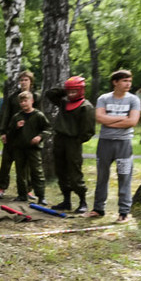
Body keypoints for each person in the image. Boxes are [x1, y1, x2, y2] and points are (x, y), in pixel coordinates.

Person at [89, 69, 141, 221]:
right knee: (102, 176)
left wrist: (109, 119)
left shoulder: (133, 100)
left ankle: (123, 212)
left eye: (129, 81)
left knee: (124, 176)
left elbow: (132, 121)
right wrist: (121, 120)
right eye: (125, 81)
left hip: (124, 144)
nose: (128, 84)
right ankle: (98, 209)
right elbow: (99, 118)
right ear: (115, 82)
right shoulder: (104, 98)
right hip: (105, 142)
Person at [48, 76, 96, 212]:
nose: (71, 94)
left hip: (73, 142)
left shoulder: (86, 107)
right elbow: (50, 94)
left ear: (81, 90)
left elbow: (89, 130)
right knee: (61, 171)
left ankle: (82, 202)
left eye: (74, 91)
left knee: (74, 172)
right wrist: (65, 90)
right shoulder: (64, 101)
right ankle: (66, 201)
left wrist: (77, 141)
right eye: (69, 91)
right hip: (59, 140)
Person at [0, 70, 39, 198]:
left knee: (28, 164)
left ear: (31, 81)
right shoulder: (13, 97)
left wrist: (38, 135)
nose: (23, 82)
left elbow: (39, 115)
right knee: (6, 161)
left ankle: (28, 189)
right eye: (21, 80)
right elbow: (5, 114)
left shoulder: (36, 96)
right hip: (12, 134)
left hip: (28, 136)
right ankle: (1, 187)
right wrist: (3, 132)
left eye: (26, 80)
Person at [5, 91, 51, 204]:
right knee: (20, 172)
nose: (23, 103)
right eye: (21, 101)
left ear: (32, 101)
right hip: (19, 148)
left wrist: (40, 137)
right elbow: (9, 134)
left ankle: (41, 196)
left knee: (37, 171)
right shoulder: (17, 116)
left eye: (26, 101)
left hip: (33, 148)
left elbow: (48, 129)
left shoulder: (38, 115)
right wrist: (16, 127)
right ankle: (22, 194)